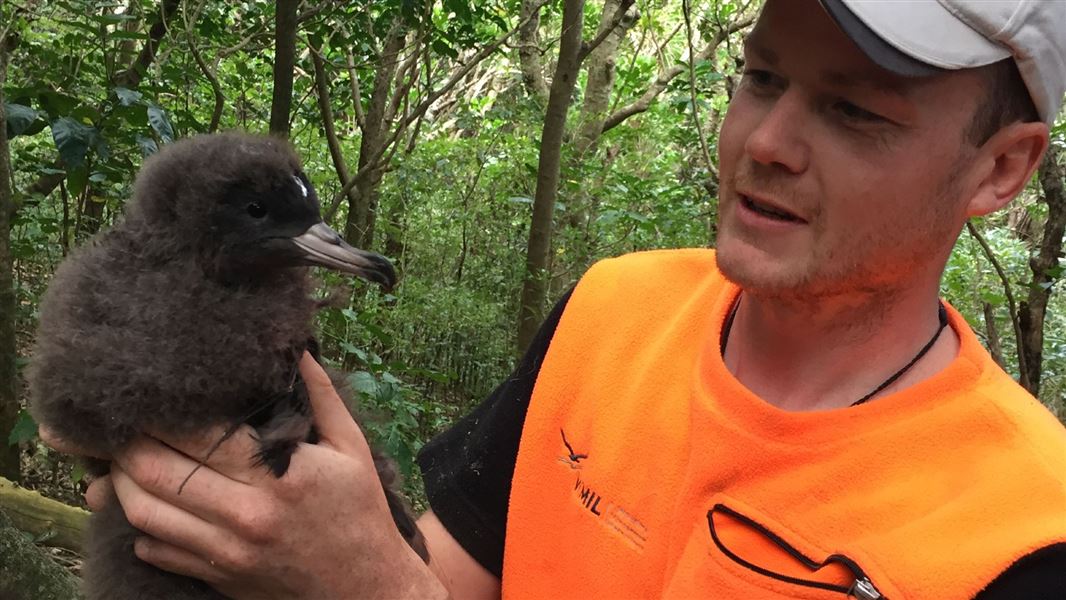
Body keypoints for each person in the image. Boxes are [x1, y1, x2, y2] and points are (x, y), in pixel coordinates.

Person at [42, 0, 1066, 598]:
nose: (765, 143)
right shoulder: (615, 310)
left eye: (850, 111)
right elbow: (448, 571)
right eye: (760, 78)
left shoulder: (1023, 533)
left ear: (999, 171)